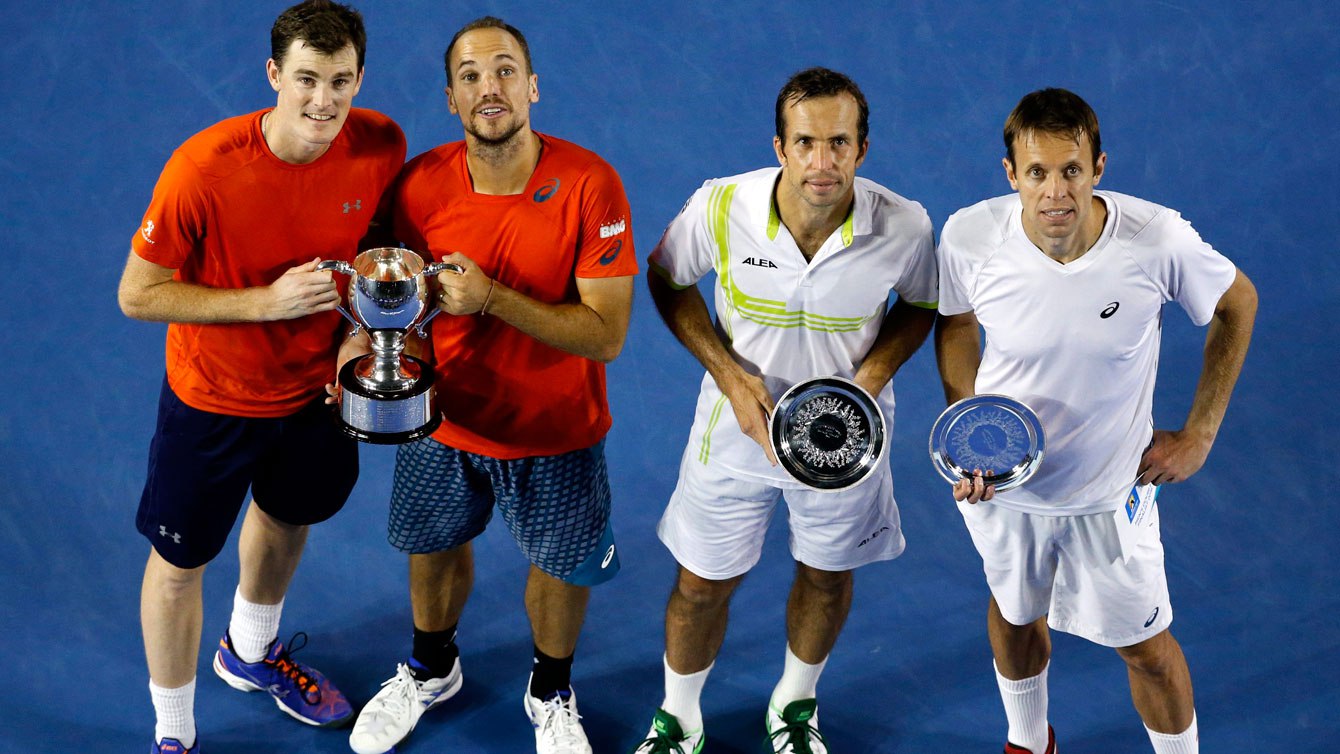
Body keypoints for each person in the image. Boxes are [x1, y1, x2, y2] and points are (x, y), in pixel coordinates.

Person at [117, 2, 405, 751]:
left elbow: (372, 251)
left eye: (340, 81)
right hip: (211, 400)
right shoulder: (202, 170)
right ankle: (174, 733)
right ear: (274, 74)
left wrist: (353, 336)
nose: (323, 102)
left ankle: (250, 654)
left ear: (359, 78)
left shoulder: (379, 145)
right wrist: (264, 303)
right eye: (306, 79)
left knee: (285, 520)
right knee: (181, 565)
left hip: (313, 396)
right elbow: (137, 294)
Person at [934, 88, 1257, 754]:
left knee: (1147, 650)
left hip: (1109, 497)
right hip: (1005, 490)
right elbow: (957, 320)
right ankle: (1029, 741)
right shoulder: (970, 236)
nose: (1056, 191)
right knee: (1016, 617)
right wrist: (969, 422)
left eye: (1071, 170)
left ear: (1099, 168)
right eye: (1037, 173)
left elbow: (1238, 304)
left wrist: (1200, 431)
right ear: (1010, 176)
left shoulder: (1155, 239)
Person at [346, 16, 636, 754]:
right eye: (470, 76)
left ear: (532, 85)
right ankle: (429, 668)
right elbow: (384, 292)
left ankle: (552, 688)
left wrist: (494, 298)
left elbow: (606, 334)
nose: (489, 87)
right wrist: (358, 347)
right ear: (451, 98)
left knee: (560, 567)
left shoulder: (589, 183)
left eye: (504, 70)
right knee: (433, 547)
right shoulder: (418, 183)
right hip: (442, 418)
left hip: (556, 427)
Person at [632, 67, 938, 754]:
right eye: (805, 143)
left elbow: (920, 305)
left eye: (838, 143)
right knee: (701, 585)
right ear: (780, 146)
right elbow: (668, 277)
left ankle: (795, 706)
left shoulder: (905, 225)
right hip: (732, 432)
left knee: (826, 579)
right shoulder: (721, 206)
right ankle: (679, 718)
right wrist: (731, 377)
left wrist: (870, 377)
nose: (821, 162)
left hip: (847, 439)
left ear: (862, 149)